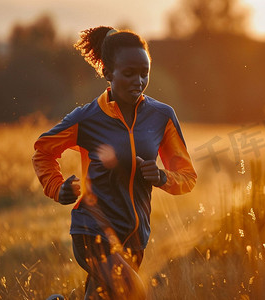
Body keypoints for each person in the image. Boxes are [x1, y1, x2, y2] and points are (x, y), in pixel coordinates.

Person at [32, 26, 197, 299]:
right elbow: (43, 150)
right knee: (133, 293)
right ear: (108, 73)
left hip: (135, 239)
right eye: (129, 73)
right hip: (92, 230)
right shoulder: (87, 118)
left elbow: (187, 176)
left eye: (144, 73)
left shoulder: (161, 116)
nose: (139, 81)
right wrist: (56, 187)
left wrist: (162, 177)